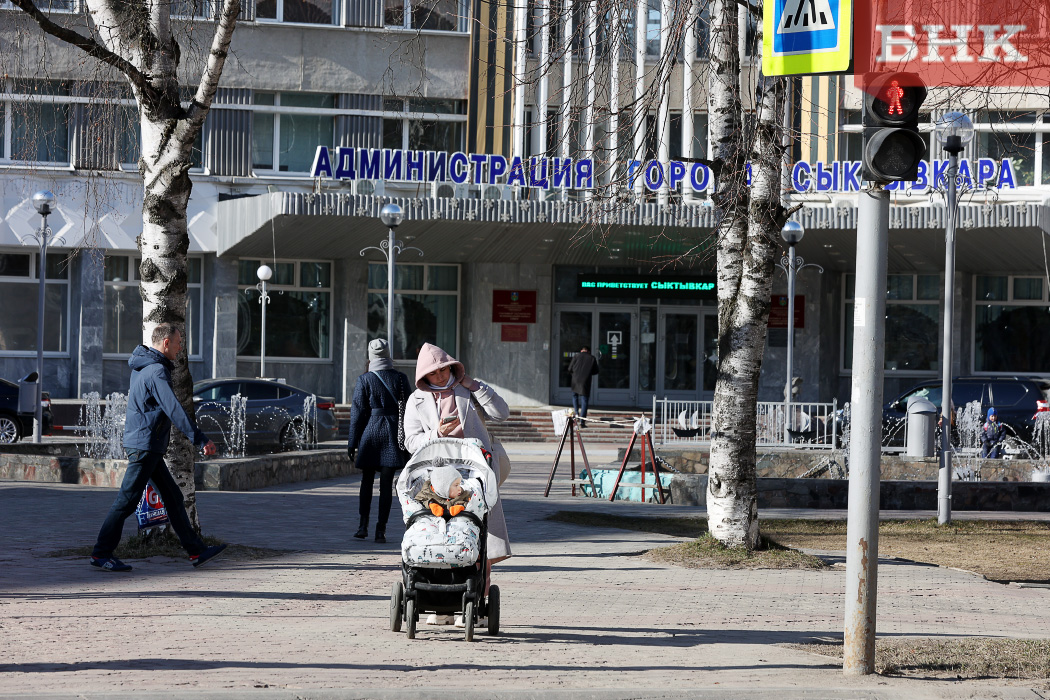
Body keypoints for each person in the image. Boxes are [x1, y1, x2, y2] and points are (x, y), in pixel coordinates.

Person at [90, 323, 224, 572]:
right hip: (145, 447)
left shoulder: (144, 367)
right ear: (165, 343)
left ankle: (196, 551)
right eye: (177, 342)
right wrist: (200, 439)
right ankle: (101, 553)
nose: (180, 347)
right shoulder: (155, 372)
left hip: (147, 445)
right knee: (126, 502)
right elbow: (172, 408)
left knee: (173, 497)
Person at [403, 342, 510, 625]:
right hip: (435, 477)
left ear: (451, 366)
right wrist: (436, 434)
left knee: (478, 532)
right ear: (424, 375)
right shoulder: (415, 400)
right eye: (433, 373)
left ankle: (476, 603)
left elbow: (502, 413)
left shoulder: (467, 391)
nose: (440, 376)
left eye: (444, 369)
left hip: (474, 474)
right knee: (439, 532)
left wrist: (475, 386)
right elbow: (410, 441)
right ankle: (440, 605)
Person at [347, 338, 412, 543]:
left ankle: (362, 526)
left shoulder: (364, 379)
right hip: (393, 434)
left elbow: (357, 413)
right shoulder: (401, 378)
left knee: (366, 481)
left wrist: (352, 442)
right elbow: (410, 410)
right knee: (386, 484)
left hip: (371, 433)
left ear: (370, 355)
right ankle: (380, 530)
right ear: (388, 354)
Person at [567, 346, 599, 424]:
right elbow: (596, 371)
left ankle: (576, 413)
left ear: (581, 350)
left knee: (575, 396)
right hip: (585, 381)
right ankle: (582, 421)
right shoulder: (592, 358)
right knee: (584, 400)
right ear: (588, 351)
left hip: (575, 380)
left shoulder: (576, 356)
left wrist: (574, 374)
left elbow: (569, 369)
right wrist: (588, 373)